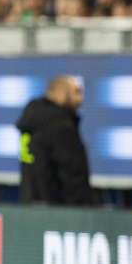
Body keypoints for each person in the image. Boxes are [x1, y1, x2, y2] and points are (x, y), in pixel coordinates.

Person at [15, 75, 97, 206]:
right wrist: (84, 211)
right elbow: (74, 179)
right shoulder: (61, 127)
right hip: (62, 216)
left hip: (31, 209)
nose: (80, 99)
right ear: (60, 92)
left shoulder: (33, 124)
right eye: (76, 92)